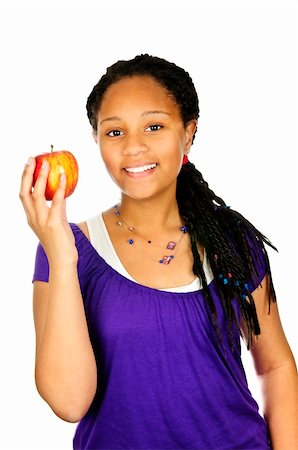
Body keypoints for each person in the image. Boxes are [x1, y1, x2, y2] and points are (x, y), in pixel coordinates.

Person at [19, 54, 297, 450]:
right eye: (114, 132)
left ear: (188, 132)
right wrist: (62, 258)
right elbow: (69, 402)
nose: (134, 147)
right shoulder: (67, 248)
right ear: (96, 139)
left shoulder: (231, 240)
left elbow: (276, 365)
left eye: (154, 126)